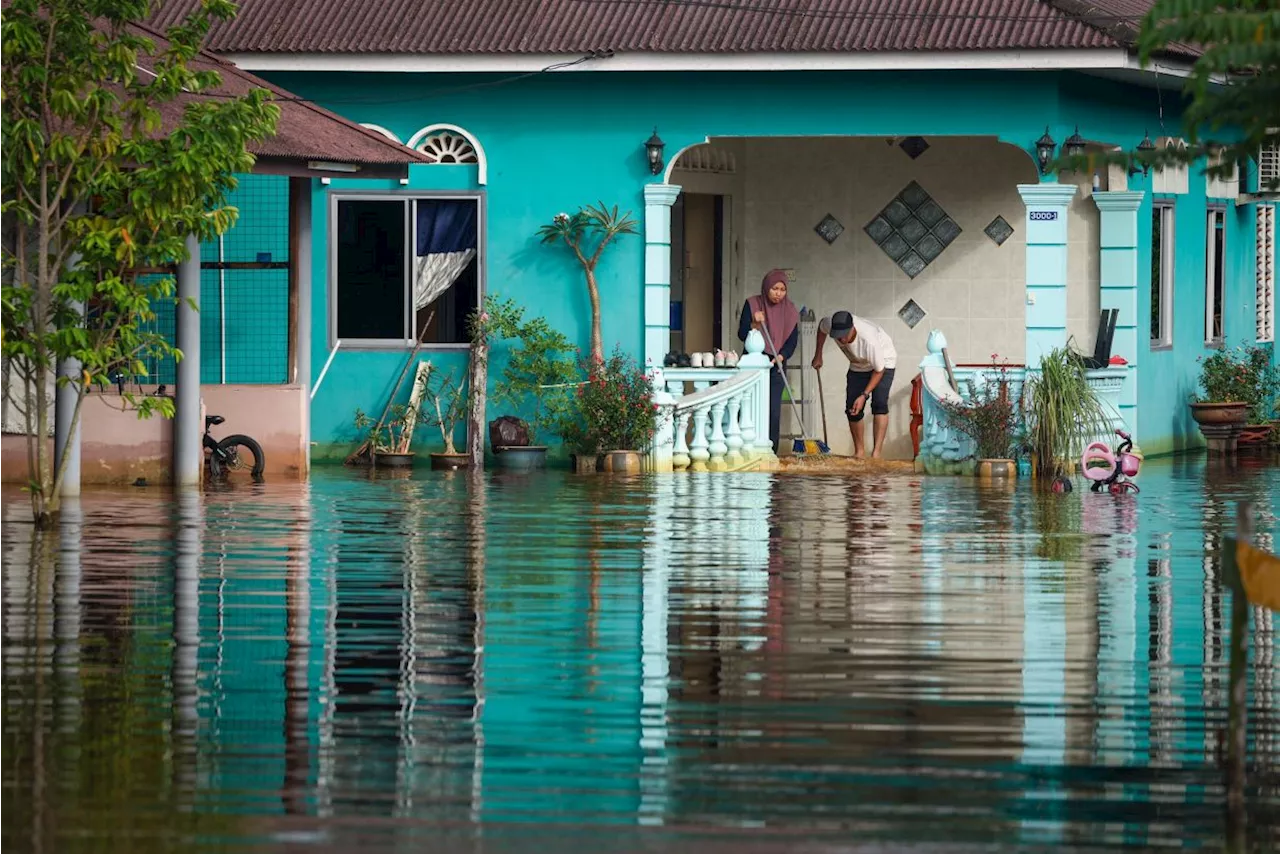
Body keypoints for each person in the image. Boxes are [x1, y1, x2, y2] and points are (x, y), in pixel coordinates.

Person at [812, 310, 897, 459]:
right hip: (858, 364)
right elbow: (821, 327)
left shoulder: (869, 340)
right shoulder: (829, 324)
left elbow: (879, 370)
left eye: (845, 334)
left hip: (883, 362)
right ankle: (859, 452)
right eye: (838, 336)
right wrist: (818, 354)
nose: (842, 339)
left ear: (852, 328)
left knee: (879, 404)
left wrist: (864, 395)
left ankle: (876, 454)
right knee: (852, 408)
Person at [738, 269, 799, 453]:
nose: (778, 293)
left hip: (777, 365)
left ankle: (771, 452)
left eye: (782, 289)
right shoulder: (753, 304)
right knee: (746, 408)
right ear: (766, 288)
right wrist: (755, 324)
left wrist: (781, 356)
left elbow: (792, 340)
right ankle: (744, 448)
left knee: (772, 412)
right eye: (774, 288)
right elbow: (742, 334)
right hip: (753, 364)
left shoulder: (790, 310)